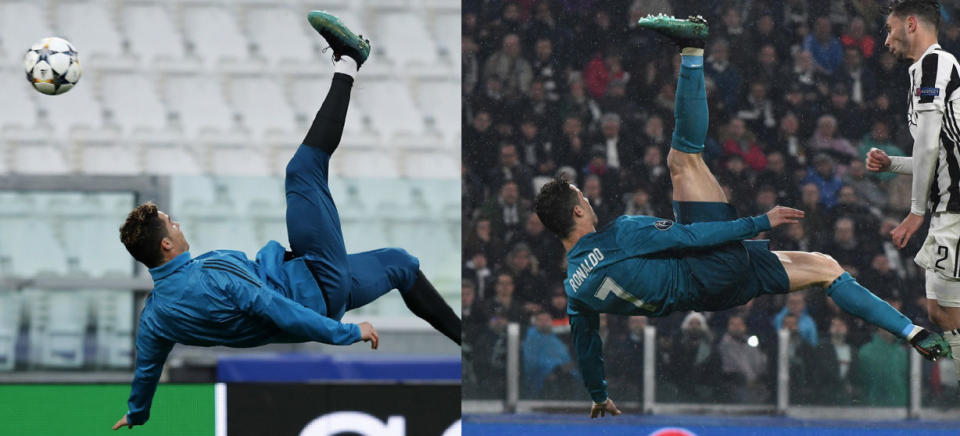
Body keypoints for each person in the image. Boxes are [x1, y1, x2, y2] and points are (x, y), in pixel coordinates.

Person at [533, 15, 950, 419]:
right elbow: (691, 238)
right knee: (683, 160)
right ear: (577, 211)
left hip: (715, 293)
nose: (588, 198)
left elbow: (587, 344)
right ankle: (693, 48)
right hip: (708, 268)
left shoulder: (575, 288)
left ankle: (912, 333)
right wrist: (759, 222)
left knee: (826, 268)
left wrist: (599, 394)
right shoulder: (621, 234)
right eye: (581, 196)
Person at [111, 13, 461, 430]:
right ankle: (348, 61)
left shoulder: (155, 318)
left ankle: (467, 346)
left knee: (401, 264)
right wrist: (348, 332)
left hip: (316, 287)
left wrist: (137, 412)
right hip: (315, 282)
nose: (178, 224)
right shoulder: (210, 282)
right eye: (172, 223)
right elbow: (275, 308)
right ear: (165, 245)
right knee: (302, 170)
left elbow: (147, 370)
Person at [867, 0, 960, 383]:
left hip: (953, 206)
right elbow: (937, 153)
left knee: (944, 312)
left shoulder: (935, 64)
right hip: (948, 203)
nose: (886, 39)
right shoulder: (924, 72)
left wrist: (916, 210)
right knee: (940, 311)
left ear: (910, 24)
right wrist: (893, 165)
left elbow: (927, 147)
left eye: (889, 30)